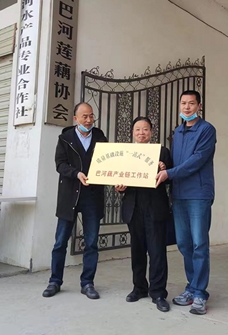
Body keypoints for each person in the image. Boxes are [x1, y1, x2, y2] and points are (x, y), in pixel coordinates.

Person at [155, 90, 216, 315]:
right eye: (183, 103)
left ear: (199, 106)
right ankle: (191, 287)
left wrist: (169, 173)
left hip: (198, 194)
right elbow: (175, 162)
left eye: (191, 103)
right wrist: (164, 167)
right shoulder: (178, 132)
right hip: (179, 195)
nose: (187, 107)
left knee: (199, 244)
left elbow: (197, 160)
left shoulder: (207, 130)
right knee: (184, 243)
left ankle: (200, 293)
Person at [42, 102, 108, 300]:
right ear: (75, 119)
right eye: (84, 116)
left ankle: (87, 283)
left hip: (92, 196)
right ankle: (55, 281)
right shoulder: (65, 138)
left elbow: (109, 162)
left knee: (91, 243)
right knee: (60, 242)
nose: (88, 120)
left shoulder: (100, 137)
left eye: (91, 116)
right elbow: (60, 165)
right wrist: (76, 173)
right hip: (70, 195)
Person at [115, 117, 173, 313]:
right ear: (133, 132)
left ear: (151, 132)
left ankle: (158, 293)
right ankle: (139, 288)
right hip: (133, 207)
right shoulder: (125, 153)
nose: (141, 133)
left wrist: (164, 170)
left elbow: (170, 178)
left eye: (145, 129)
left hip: (155, 207)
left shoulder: (162, 152)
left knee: (157, 252)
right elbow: (119, 178)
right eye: (138, 129)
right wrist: (119, 187)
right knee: (137, 251)